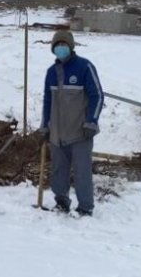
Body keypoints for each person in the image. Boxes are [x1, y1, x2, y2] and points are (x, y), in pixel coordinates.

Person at [41, 29, 103, 216]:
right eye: (57, 45)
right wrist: (44, 127)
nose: (60, 48)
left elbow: (97, 95)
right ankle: (61, 201)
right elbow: (47, 101)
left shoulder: (84, 67)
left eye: (64, 45)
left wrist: (91, 122)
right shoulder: (51, 72)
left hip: (80, 132)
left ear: (71, 46)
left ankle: (85, 207)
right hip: (57, 133)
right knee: (58, 170)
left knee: (82, 171)